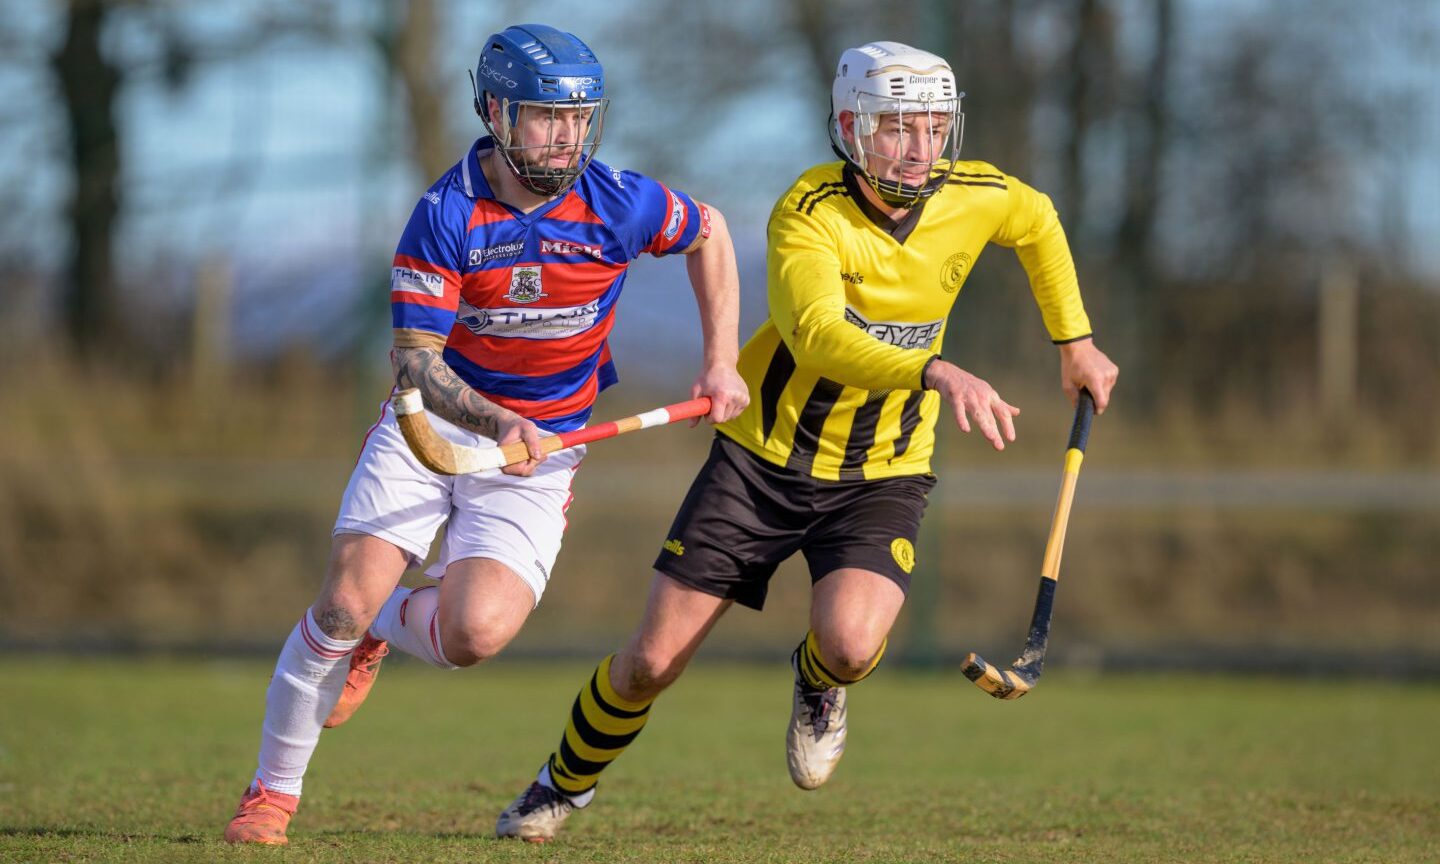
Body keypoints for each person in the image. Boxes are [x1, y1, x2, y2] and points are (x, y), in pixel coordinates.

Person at [493, 39, 1119, 842]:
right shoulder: (807, 213)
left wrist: (1076, 341)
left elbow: (1037, 222)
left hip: (884, 469)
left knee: (852, 644)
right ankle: (561, 785)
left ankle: (819, 680)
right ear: (852, 127)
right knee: (651, 662)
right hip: (761, 461)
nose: (921, 148)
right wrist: (936, 371)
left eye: (934, 128)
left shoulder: (976, 192)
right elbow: (820, 337)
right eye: (898, 128)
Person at [222, 23, 748, 846]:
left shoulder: (620, 201)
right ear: (498, 114)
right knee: (340, 602)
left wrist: (720, 361)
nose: (567, 136)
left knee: (474, 635)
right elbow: (417, 363)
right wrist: (500, 418)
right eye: (547, 118)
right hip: (431, 431)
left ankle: (382, 631)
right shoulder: (445, 214)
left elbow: (709, 233)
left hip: (543, 456)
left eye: (580, 118)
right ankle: (270, 796)